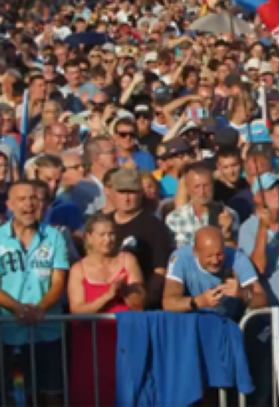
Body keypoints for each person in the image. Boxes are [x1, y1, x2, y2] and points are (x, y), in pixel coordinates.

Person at [0, 182, 70, 406]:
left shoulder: (54, 237)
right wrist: (19, 309)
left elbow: (58, 281)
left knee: (52, 393)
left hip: (49, 329)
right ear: (10, 204)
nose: (29, 204)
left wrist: (40, 308)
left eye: (33, 198)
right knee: (19, 395)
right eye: (21, 199)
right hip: (12, 330)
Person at [68, 212, 144, 407]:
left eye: (111, 234)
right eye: (102, 235)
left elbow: (139, 303)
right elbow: (77, 310)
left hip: (126, 340)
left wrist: (126, 290)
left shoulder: (128, 260)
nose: (108, 239)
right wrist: (108, 296)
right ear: (89, 238)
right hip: (91, 345)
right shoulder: (78, 269)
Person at [163, 226, 267, 321]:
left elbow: (263, 300)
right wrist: (198, 302)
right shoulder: (180, 258)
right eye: (209, 256)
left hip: (228, 324)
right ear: (195, 252)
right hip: (192, 324)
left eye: (219, 254)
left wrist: (242, 293)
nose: (215, 261)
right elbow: (168, 302)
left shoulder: (238, 258)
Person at [239, 173, 279, 306]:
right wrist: (263, 229)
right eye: (270, 190)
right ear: (257, 197)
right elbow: (258, 268)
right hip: (270, 312)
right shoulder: (247, 228)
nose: (277, 193)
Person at [111, 167, 173, 309]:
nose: (126, 198)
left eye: (132, 193)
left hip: (141, 307)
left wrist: (143, 303)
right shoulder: (103, 223)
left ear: (140, 194)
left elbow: (160, 271)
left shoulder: (155, 227)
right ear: (112, 193)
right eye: (122, 192)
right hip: (105, 306)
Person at [166, 165, 239, 250]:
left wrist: (227, 235)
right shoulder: (174, 219)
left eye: (206, 185)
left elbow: (235, 255)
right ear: (188, 189)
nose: (202, 192)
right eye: (197, 186)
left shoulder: (229, 215)